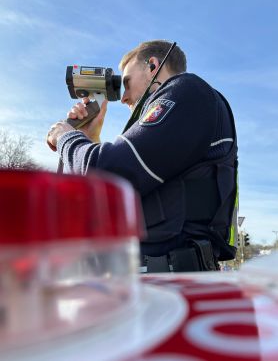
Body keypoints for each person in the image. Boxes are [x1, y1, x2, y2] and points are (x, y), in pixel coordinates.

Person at [47, 40, 238, 273]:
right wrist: (90, 136)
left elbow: (110, 171)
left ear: (152, 66)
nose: (124, 97)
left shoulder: (186, 89)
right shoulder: (180, 117)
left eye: (126, 83)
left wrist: (67, 138)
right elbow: (103, 195)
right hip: (152, 277)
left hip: (173, 278)